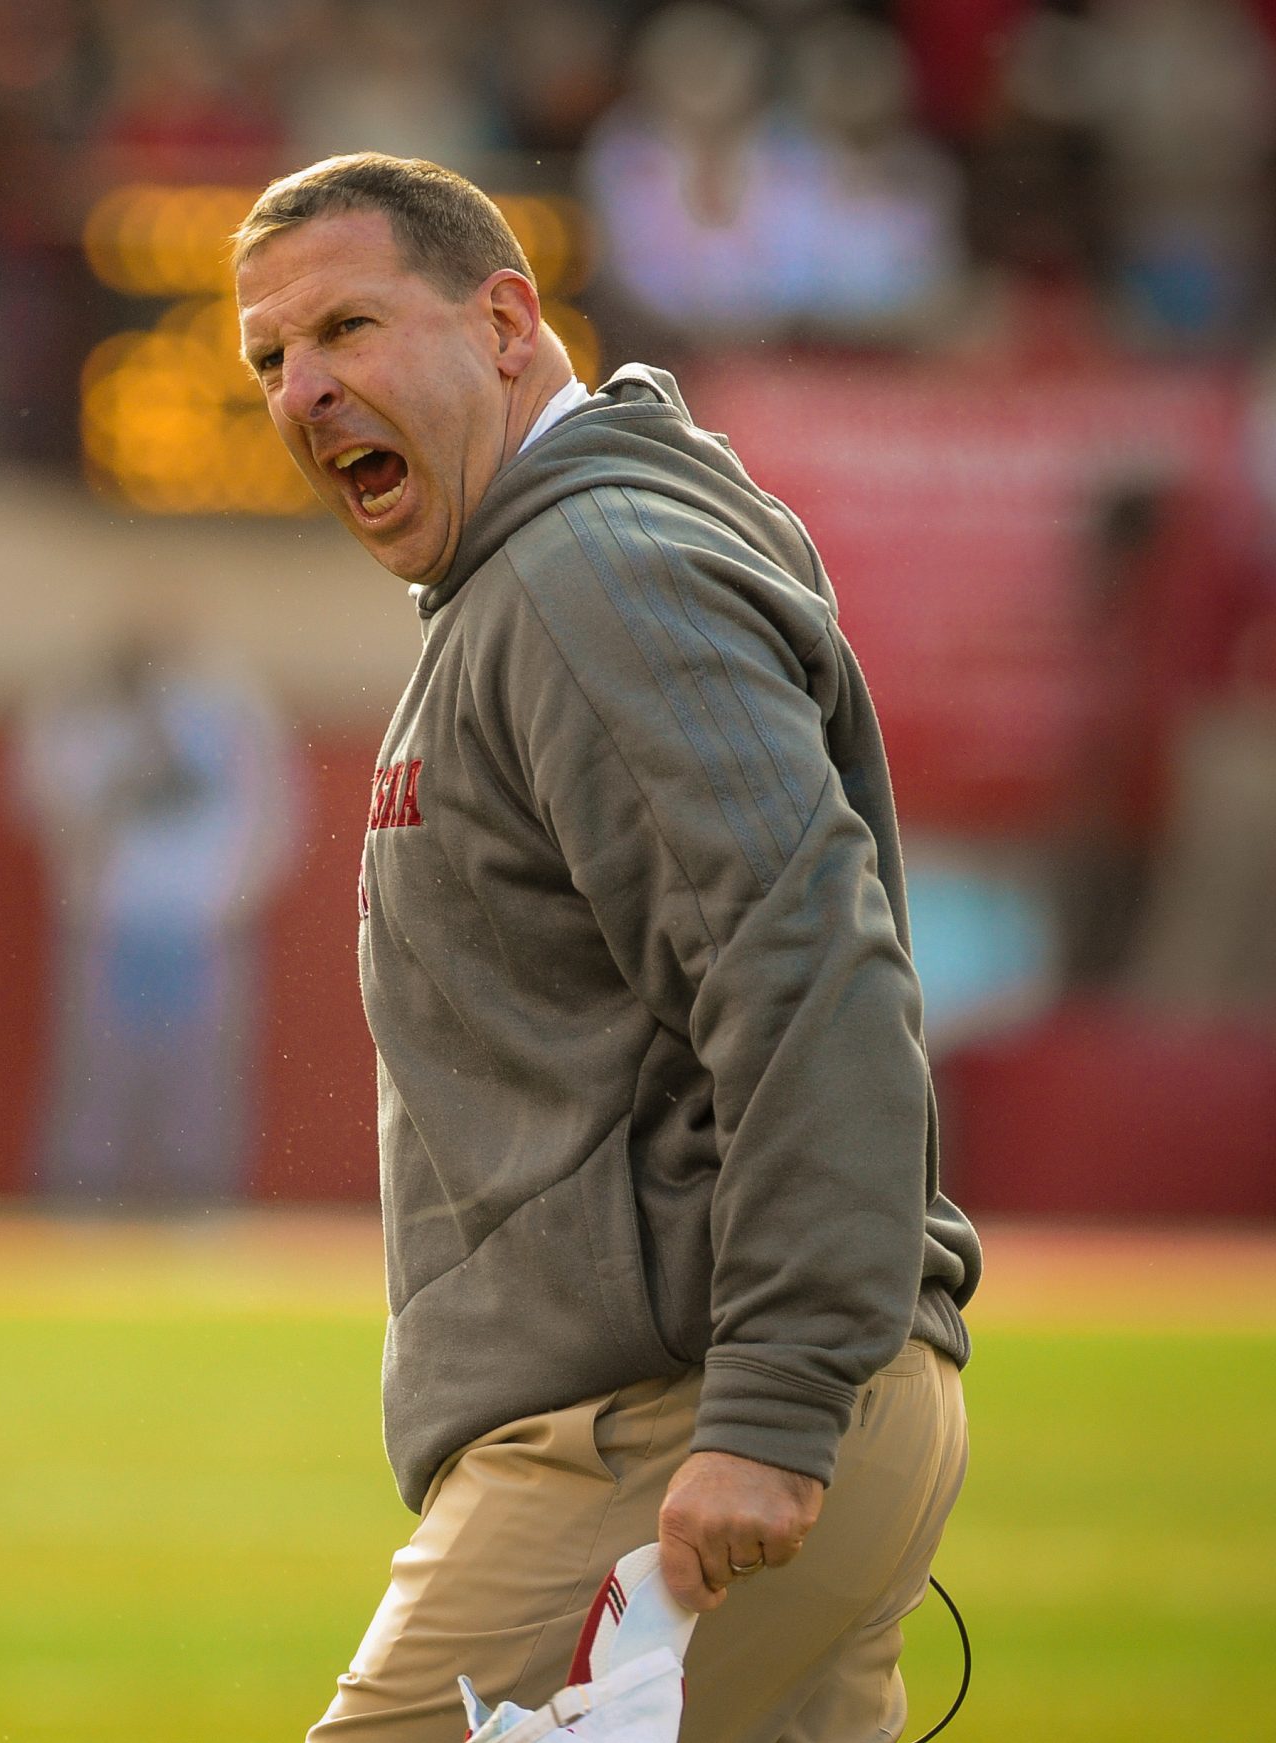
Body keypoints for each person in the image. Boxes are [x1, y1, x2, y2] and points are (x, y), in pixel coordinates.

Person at [231, 153, 980, 1741]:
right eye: (271, 361)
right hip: (721, 1408)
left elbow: (812, 979)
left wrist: (771, 1408)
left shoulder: (592, 576)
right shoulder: (543, 574)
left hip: (670, 1428)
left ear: (507, 320)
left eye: (348, 327)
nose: (303, 390)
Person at [10, 625, 300, 1208]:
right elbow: (40, 795)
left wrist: (235, 898)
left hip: (203, 928)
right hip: (112, 925)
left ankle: (198, 1202)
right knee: (98, 1076)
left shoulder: (234, 713)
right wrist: (81, 876)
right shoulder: (88, 713)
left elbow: (276, 815)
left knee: (201, 1082)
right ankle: (81, 1200)